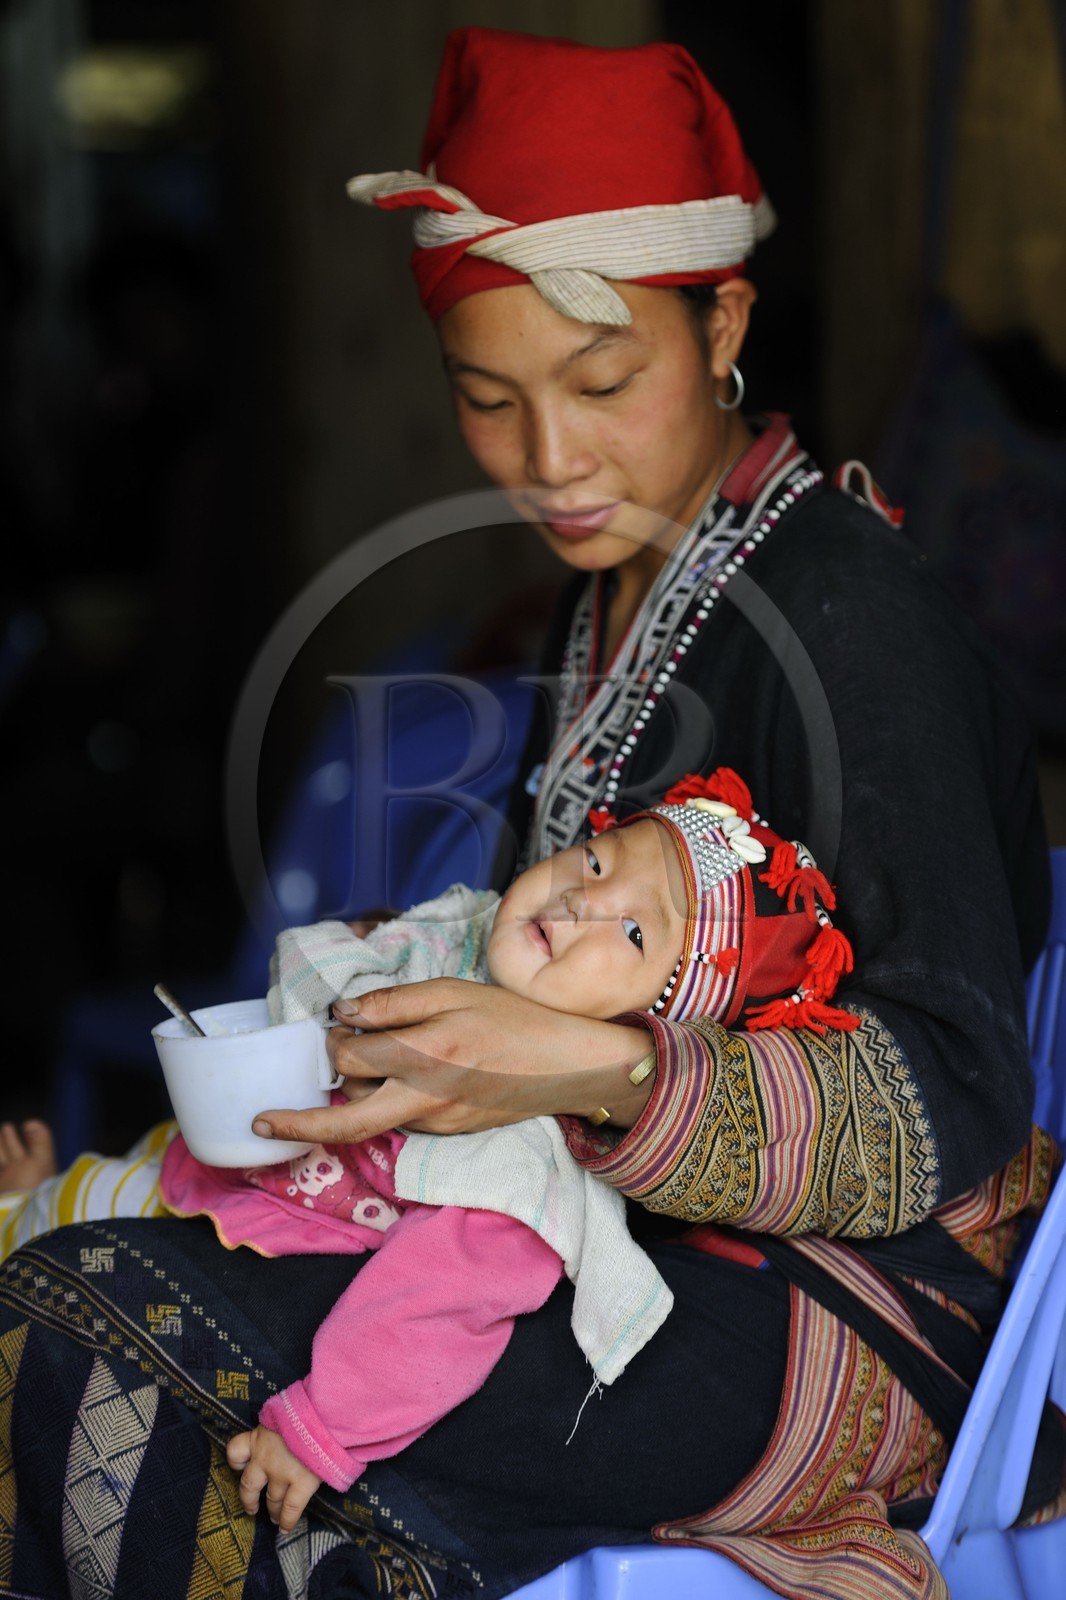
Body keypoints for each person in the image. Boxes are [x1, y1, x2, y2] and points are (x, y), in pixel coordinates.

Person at [1, 27, 1058, 1600]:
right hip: (571, 1231)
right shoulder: (614, 603)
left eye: (602, 381)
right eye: (488, 400)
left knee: (93, 1336)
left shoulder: (850, 619)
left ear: (723, 327)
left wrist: (594, 1069)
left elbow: (949, 1097)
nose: (549, 459)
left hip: (826, 1320)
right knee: (88, 1282)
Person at [0, 772, 854, 1537]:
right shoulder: (456, 939)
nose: (584, 902)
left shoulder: (526, 1165)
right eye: (596, 862)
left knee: (68, 1233)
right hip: (234, 1159)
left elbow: (431, 1313)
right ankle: (53, 1191)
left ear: (652, 1031)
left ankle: (29, 1208)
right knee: (132, 1168)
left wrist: (324, 1430)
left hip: (257, 1220)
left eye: (633, 933)